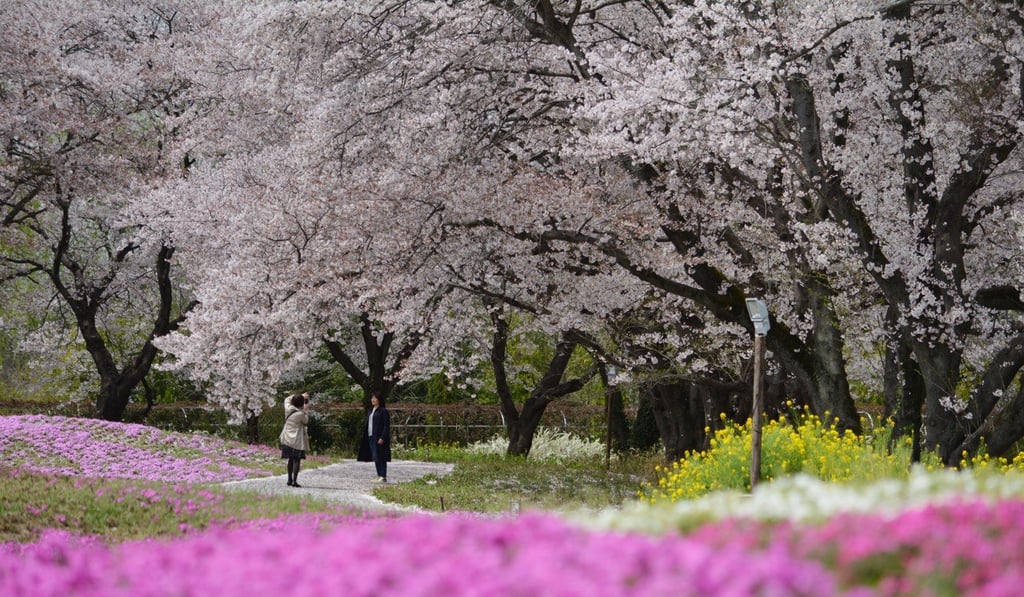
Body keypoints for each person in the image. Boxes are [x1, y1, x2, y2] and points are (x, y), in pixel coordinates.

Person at [357, 393, 391, 482]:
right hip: (371, 436)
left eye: (375, 398)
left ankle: (383, 476)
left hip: (379, 437)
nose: (373, 400)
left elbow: (386, 426)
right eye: (372, 398)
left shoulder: (383, 411)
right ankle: (379, 475)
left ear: (379, 400)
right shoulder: (370, 411)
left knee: (381, 456)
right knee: (375, 457)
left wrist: (382, 437)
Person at [279, 392, 310, 487]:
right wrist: (306, 407)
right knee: (297, 460)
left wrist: (300, 395)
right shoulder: (301, 413)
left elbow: (286, 399)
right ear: (301, 403)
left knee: (290, 459)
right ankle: (294, 481)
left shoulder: (288, 408)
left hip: (287, 437)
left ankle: (289, 479)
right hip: (297, 439)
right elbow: (306, 421)